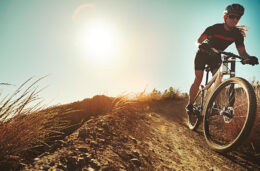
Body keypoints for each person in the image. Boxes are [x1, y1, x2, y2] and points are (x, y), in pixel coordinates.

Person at [186, 3, 258, 114]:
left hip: (216, 56)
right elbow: (198, 41)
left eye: (237, 17)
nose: (235, 19)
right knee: (198, 78)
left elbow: (242, 52)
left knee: (218, 79)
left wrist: (249, 58)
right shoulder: (214, 28)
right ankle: (190, 105)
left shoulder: (237, 34)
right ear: (225, 17)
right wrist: (201, 45)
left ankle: (215, 106)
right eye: (232, 16)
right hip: (203, 53)